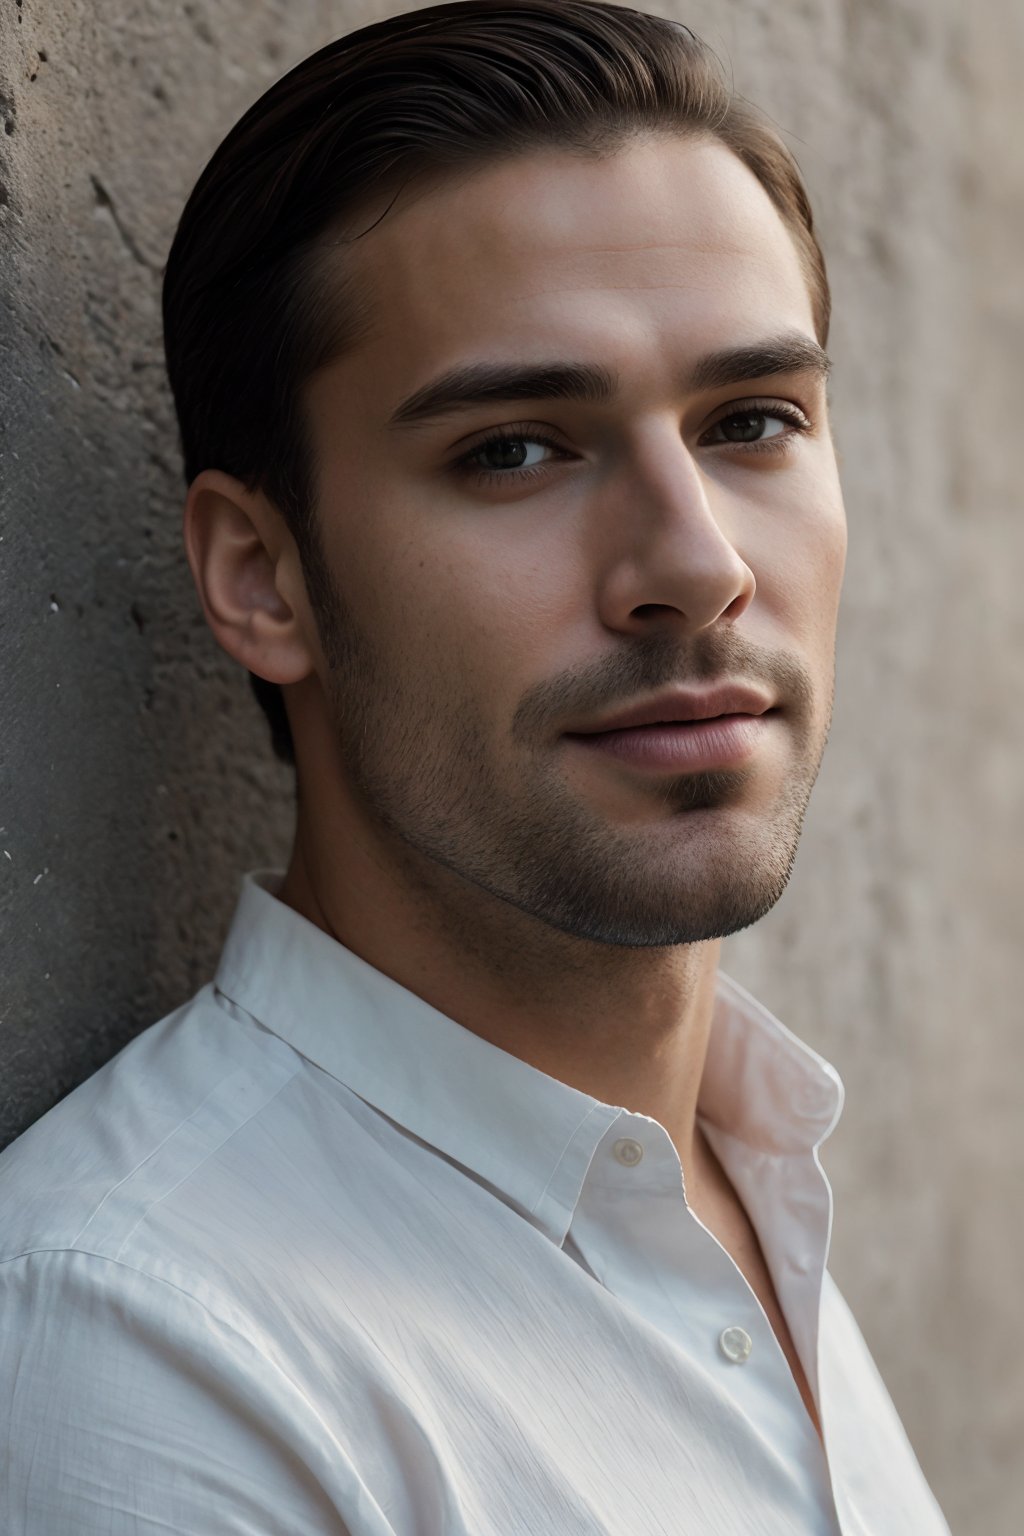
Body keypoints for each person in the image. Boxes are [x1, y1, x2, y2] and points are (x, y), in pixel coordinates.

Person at [0, 2, 951, 1531]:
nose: (694, 566)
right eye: (515, 448)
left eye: (753, 420)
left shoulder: (758, 1175)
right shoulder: (148, 1352)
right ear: (263, 575)